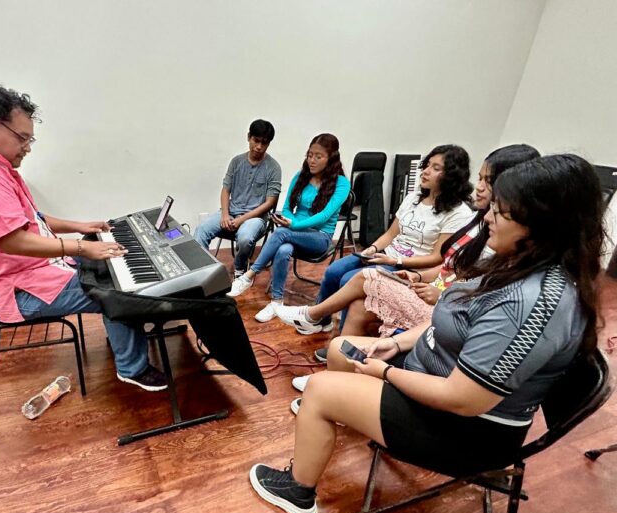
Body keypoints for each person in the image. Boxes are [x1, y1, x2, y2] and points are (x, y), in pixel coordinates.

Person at [248, 154, 604, 513]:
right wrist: (398, 344)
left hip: (465, 431)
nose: (488, 217)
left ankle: (298, 491)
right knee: (341, 349)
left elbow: (462, 399)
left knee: (321, 389)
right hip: (436, 378)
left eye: (501, 212)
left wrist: (387, 373)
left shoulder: (528, 303)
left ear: (541, 225)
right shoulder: (519, 265)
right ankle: (339, 418)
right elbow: (449, 320)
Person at [0, 83, 167, 392]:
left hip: (27, 272)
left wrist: (81, 226)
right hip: (15, 289)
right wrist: (81, 248)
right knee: (118, 289)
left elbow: (31, 220)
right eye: (22, 138)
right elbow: (11, 240)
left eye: (30, 139)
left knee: (110, 266)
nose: (27, 147)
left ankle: (124, 331)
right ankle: (132, 367)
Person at [276, 145, 541, 361]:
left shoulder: (473, 222)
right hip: (417, 275)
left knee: (359, 279)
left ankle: (313, 317)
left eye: (435, 168)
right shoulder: (464, 218)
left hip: (426, 285)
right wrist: (375, 250)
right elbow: (444, 264)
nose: (479, 187)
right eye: (480, 179)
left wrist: (403, 265)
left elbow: (447, 265)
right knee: (340, 275)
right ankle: (334, 349)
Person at [306, 145, 475, 336]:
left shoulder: (458, 212)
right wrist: (372, 248)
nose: (426, 171)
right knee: (334, 271)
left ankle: (340, 336)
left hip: (412, 267)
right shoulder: (413, 197)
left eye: (436, 168)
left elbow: (437, 257)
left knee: (348, 279)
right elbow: (390, 234)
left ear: (453, 176)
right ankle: (320, 322)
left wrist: (396, 261)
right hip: (387, 255)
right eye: (427, 165)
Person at [226, 133, 350, 322]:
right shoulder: (301, 176)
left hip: (319, 237)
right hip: (292, 233)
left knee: (281, 233)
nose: (312, 160)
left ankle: (249, 275)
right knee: (283, 248)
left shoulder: (341, 184)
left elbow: (324, 216)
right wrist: (290, 222)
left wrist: (294, 225)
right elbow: (286, 209)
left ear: (331, 158)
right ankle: (276, 302)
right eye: (310, 155)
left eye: (318, 156)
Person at [194, 120, 281, 277]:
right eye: (256, 140)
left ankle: (240, 268)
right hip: (231, 212)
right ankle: (203, 272)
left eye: (264, 143)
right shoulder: (236, 162)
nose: (259, 146)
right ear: (248, 137)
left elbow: (270, 203)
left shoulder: (273, 167)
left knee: (245, 238)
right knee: (201, 230)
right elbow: (225, 190)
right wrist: (225, 214)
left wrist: (242, 219)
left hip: (255, 218)